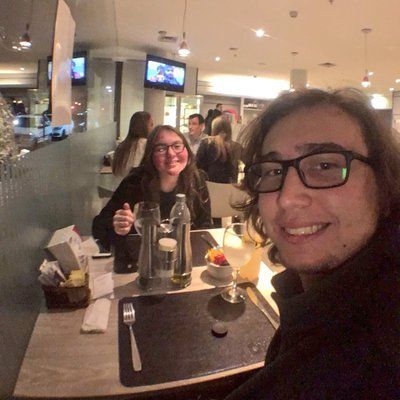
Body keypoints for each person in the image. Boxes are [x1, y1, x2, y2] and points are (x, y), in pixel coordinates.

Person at [226, 88, 400, 399]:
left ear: (384, 181)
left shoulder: (377, 353)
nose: (287, 198)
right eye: (273, 171)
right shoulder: (309, 297)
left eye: (325, 166)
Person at [93, 125, 212, 250]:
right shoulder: (134, 182)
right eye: (161, 149)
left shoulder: (197, 179)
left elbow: (205, 225)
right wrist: (117, 226)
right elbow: (99, 227)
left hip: (185, 254)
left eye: (177, 146)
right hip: (143, 255)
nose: (171, 154)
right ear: (150, 156)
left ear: (187, 150)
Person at [196, 116, 242, 183]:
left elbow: (198, 166)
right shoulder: (236, 146)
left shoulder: (206, 143)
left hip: (209, 184)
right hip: (229, 185)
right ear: (229, 130)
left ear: (214, 129)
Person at [112, 111, 153, 177]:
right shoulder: (144, 144)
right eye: (151, 125)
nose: (152, 128)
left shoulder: (122, 145)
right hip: (134, 182)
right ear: (143, 127)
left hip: (121, 182)